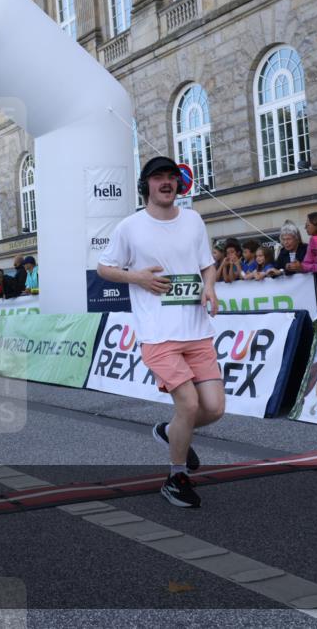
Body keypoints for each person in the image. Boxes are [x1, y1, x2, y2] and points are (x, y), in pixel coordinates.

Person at [97, 155, 224, 509]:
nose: (166, 182)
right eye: (158, 178)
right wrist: (137, 277)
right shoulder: (130, 227)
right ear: (146, 185)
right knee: (189, 403)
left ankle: (171, 432)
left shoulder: (194, 220)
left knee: (213, 408)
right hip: (158, 335)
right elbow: (104, 268)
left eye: (171, 177)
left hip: (197, 330)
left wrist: (209, 287)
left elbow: (207, 265)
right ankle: (176, 476)